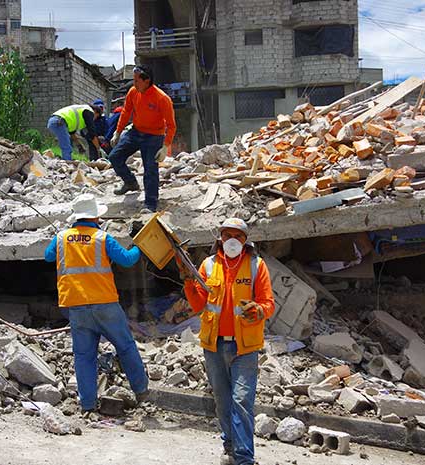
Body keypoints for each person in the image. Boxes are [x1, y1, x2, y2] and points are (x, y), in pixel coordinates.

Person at [180, 218, 275, 465]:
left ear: (246, 240)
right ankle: (230, 446)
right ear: (220, 239)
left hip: (245, 347)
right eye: (227, 235)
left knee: (242, 400)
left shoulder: (256, 265)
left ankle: (245, 458)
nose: (232, 240)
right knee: (223, 401)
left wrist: (259, 309)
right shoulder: (208, 266)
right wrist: (189, 283)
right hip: (214, 345)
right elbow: (198, 305)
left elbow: (268, 303)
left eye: (238, 236)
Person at [44, 194, 149, 413]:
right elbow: (128, 259)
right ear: (96, 217)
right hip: (105, 305)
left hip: (76, 307)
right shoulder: (102, 238)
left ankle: (88, 404)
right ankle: (142, 392)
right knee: (126, 346)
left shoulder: (62, 237)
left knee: (84, 356)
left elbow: (47, 256)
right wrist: (140, 244)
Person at [109, 64, 176, 213]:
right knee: (114, 157)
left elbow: (171, 126)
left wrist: (165, 147)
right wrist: (118, 132)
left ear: (147, 81)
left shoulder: (162, 98)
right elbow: (126, 112)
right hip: (136, 131)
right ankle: (130, 182)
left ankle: (150, 204)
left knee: (150, 170)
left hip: (154, 136)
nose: (134, 83)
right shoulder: (133, 92)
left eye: (137, 80)